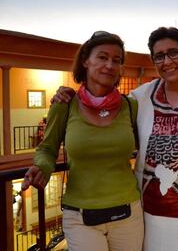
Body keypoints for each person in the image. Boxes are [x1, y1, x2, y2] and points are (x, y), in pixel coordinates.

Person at [53, 27, 178, 250]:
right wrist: (72, 97)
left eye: (174, 53)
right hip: (149, 222)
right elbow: (102, 103)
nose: (167, 61)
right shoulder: (142, 97)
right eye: (159, 56)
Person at [22, 31, 144, 251]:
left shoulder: (130, 106)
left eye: (116, 60)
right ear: (86, 61)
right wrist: (41, 167)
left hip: (128, 212)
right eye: (102, 57)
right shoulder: (65, 104)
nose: (109, 65)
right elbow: (47, 149)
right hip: (80, 215)